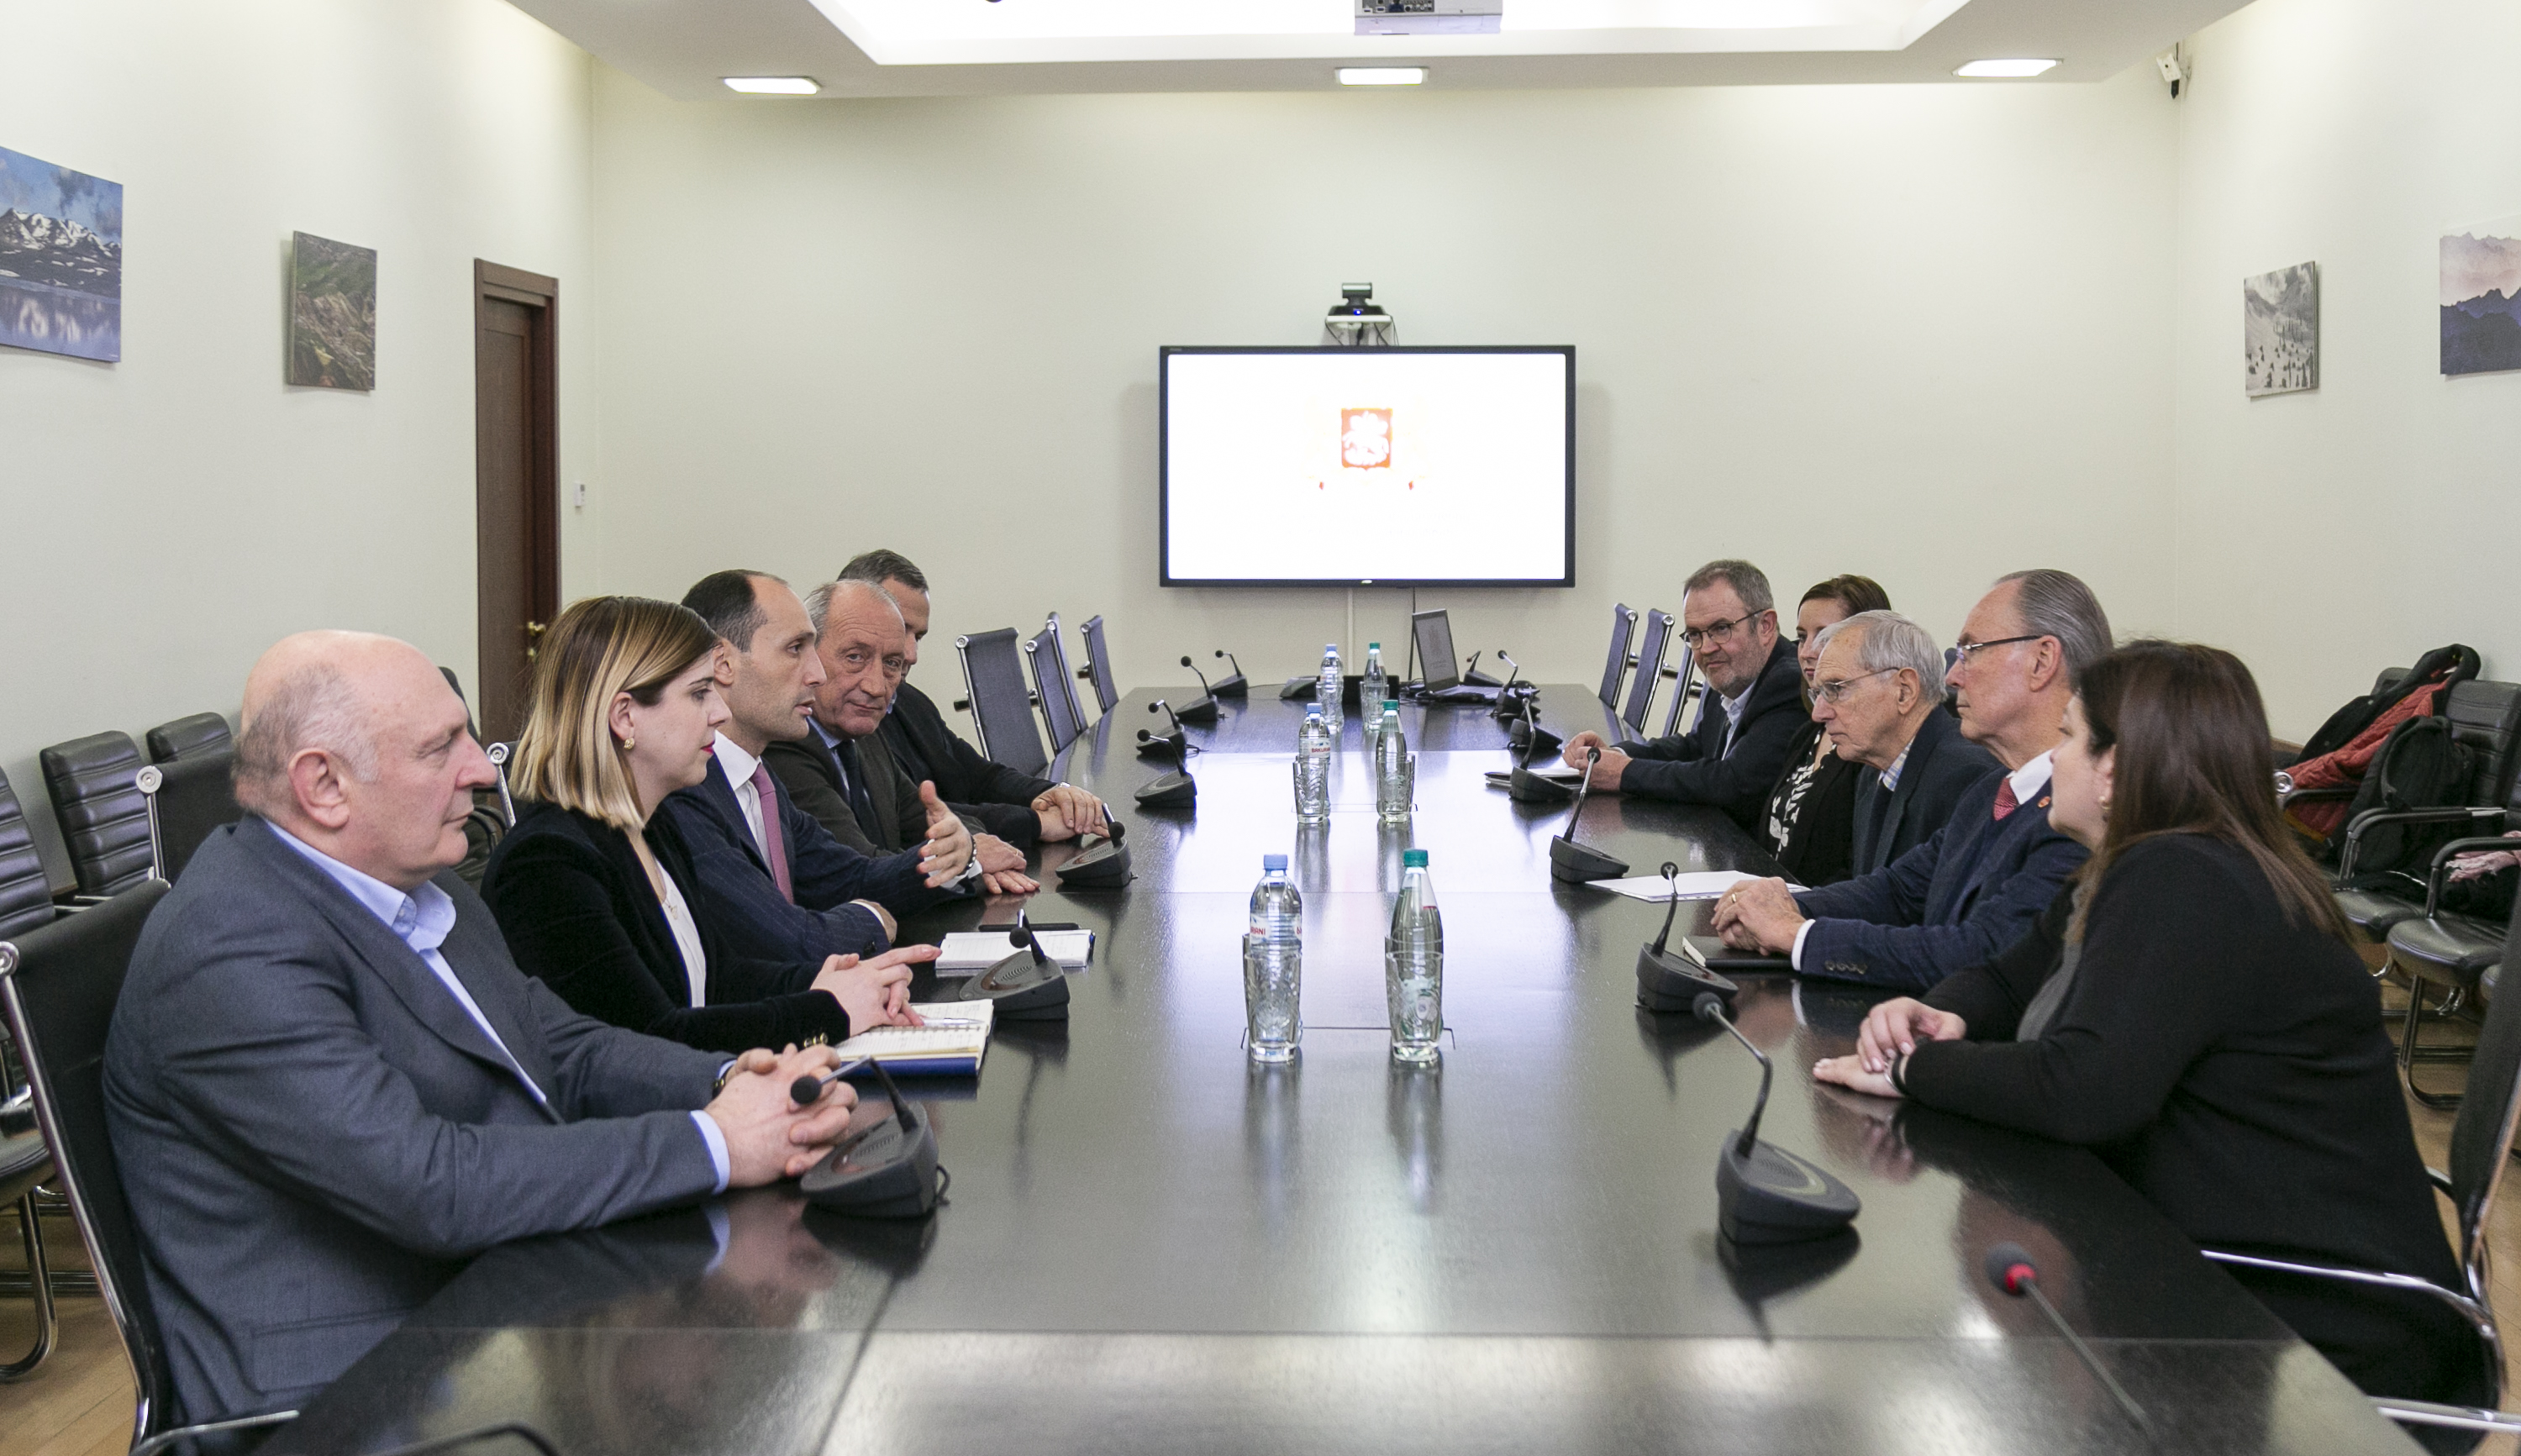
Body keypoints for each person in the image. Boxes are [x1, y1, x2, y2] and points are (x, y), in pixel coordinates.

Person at [103, 631, 861, 1426]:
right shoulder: (230, 946)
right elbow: (427, 1183)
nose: (481, 767)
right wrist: (716, 1141)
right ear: (324, 785)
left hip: (495, 1304)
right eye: (441, 748)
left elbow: (560, 1046)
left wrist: (733, 1080)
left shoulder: (423, 885)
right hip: (351, 1395)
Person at [1814, 642, 2485, 1417]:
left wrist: (1909, 1069)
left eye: (2071, 736)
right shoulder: (2135, 866)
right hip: (2225, 1270)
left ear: (2114, 768)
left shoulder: (2186, 879)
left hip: (2325, 1326)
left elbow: (2081, 1088)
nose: (2054, 759)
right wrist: (1941, 1013)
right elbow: (2005, 977)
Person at [482, 597, 936, 1054]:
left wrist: (837, 979)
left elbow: (719, 978)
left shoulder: (653, 828)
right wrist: (829, 1009)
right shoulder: (546, 864)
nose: (720, 713)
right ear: (625, 717)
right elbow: (649, 1040)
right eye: (700, 693)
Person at [1713, 569, 2107, 992]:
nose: (1953, 676)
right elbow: (1900, 891)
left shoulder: (2079, 815)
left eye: (1971, 651)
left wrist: (1798, 934)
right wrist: (1781, 905)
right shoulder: (1992, 790)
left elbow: (1983, 954)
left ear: (2041, 661)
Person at [657, 570, 977, 996]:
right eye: (795, 649)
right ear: (723, 662)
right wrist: (871, 919)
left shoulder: (759, 779)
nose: (817, 674)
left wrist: (950, 856)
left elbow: (850, 877)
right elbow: (790, 942)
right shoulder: (685, 790)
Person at [770, 578, 1039, 896]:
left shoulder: (864, 733)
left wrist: (970, 847)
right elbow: (859, 872)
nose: (876, 687)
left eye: (891, 664)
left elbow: (938, 821)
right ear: (809, 658)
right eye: (855, 657)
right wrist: (970, 863)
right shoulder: (783, 746)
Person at [837, 549, 1109, 849]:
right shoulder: (849, 720)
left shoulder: (909, 700)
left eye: (919, 636)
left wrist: (1051, 793)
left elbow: (979, 776)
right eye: (902, 629)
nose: (911, 654)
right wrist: (1035, 823)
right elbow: (913, 818)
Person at [1560, 559, 1806, 833]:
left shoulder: (1789, 684)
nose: (1706, 648)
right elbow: (1696, 747)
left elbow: (1734, 782)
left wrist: (1626, 773)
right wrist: (1615, 755)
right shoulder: (1730, 671)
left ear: (1765, 626)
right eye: (1695, 635)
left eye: (1721, 629)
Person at [1813, 610, 1999, 880]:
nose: (1818, 713)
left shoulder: (1966, 779)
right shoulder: (1871, 773)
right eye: (1818, 693)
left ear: (1904, 691)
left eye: (1836, 689)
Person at [1758, 576, 1891, 886]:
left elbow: (1860, 871)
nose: (1806, 651)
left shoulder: (1872, 750)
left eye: (1825, 636)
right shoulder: (1808, 734)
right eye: (1801, 637)